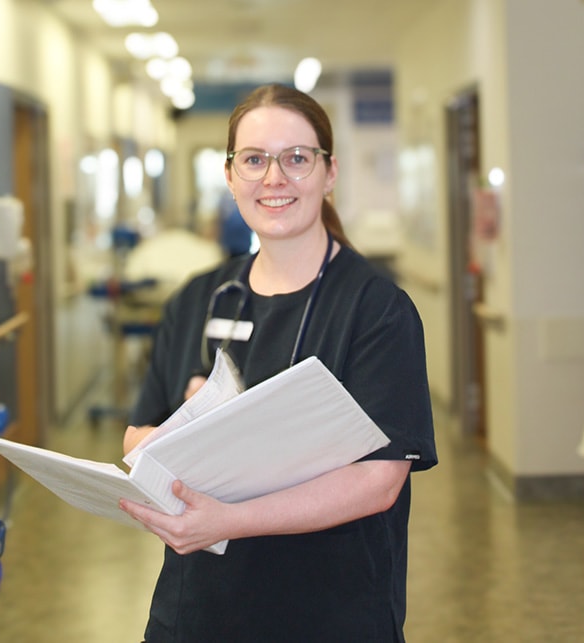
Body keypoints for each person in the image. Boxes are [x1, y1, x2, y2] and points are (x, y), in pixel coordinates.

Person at [120, 83, 437, 642]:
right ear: (229, 174)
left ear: (329, 172)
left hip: (331, 613)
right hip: (197, 612)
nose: (274, 178)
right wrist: (180, 434)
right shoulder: (197, 299)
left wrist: (231, 520)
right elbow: (135, 435)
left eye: (297, 158)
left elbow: (379, 481)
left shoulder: (376, 310)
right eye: (254, 160)